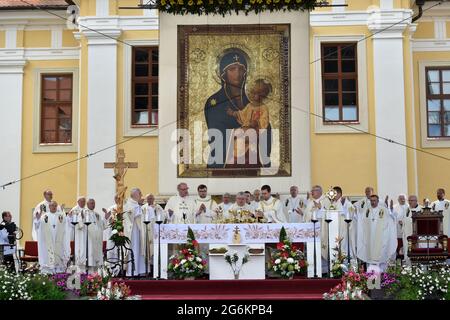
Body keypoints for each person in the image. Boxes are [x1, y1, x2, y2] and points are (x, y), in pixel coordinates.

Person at [226, 79, 272, 167]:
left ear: (264, 96)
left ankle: (239, 156)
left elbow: (265, 121)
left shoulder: (264, 108)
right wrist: (233, 113)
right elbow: (242, 114)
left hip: (256, 130)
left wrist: (257, 122)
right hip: (247, 127)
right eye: (255, 93)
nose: (256, 97)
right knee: (235, 134)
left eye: (260, 95)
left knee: (243, 138)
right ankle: (234, 156)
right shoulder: (249, 106)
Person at [356, 195, 397, 271]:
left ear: (378, 201)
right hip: (369, 239)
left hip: (380, 238)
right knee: (370, 257)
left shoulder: (383, 210)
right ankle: (370, 275)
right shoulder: (366, 210)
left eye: (374, 200)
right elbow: (361, 222)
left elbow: (391, 220)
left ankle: (382, 276)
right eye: (371, 200)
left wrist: (391, 209)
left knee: (381, 257)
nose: (373, 202)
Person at [70, 198, 110, 273]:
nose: (93, 204)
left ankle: (94, 276)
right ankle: (86, 274)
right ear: (87, 204)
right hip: (87, 240)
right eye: (91, 203)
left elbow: (102, 226)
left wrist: (106, 218)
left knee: (95, 263)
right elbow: (79, 225)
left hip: (96, 241)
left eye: (94, 203)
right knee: (88, 259)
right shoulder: (83, 213)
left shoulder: (97, 214)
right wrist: (81, 218)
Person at [35, 201, 70, 274]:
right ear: (49, 207)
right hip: (48, 241)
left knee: (58, 253)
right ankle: (49, 270)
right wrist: (38, 220)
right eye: (52, 205)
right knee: (48, 254)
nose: (53, 207)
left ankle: (58, 271)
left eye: (55, 205)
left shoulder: (62, 217)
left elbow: (66, 229)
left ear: (57, 207)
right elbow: (38, 227)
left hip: (59, 241)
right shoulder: (44, 217)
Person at [125, 188, 153, 276]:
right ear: (134, 195)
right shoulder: (128, 204)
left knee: (141, 250)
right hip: (132, 231)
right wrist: (139, 206)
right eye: (139, 193)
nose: (141, 194)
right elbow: (130, 215)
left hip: (141, 231)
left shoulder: (138, 204)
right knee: (134, 249)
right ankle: (132, 271)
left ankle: (141, 271)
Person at [399, 195, 423, 264]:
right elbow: (404, 219)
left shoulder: (421, 209)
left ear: (416, 201)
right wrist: (402, 223)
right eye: (409, 200)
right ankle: (408, 266)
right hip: (407, 234)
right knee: (408, 251)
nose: (409, 202)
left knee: (416, 252)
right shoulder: (407, 209)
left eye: (411, 201)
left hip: (417, 235)